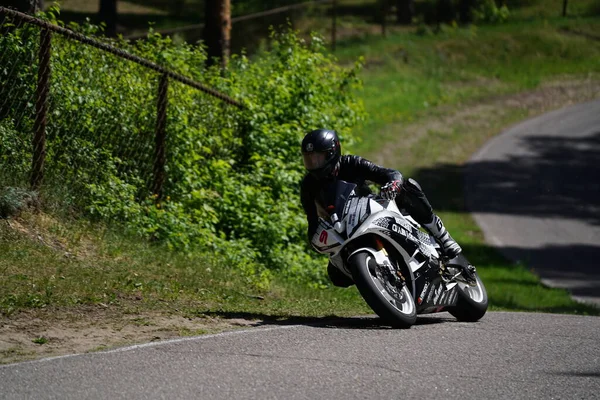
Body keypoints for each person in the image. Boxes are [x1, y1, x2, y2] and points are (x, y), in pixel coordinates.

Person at [300, 128, 462, 287]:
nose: (314, 164)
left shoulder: (351, 163)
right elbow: (312, 222)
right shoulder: (308, 186)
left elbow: (388, 173)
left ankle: (442, 235)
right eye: (309, 159)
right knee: (336, 277)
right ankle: (378, 282)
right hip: (342, 230)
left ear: (332, 153)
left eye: (318, 158)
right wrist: (320, 240)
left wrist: (393, 183)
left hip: (370, 211)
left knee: (407, 187)